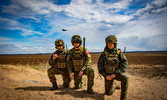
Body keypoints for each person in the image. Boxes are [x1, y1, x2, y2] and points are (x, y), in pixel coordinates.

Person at [98, 35, 128, 100]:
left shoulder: (119, 53)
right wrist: (105, 75)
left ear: (115, 44)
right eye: (109, 43)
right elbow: (100, 66)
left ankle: (123, 97)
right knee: (108, 93)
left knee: (125, 78)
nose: (110, 45)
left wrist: (115, 74)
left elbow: (124, 64)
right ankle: (114, 87)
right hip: (108, 76)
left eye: (112, 43)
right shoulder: (104, 54)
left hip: (117, 74)